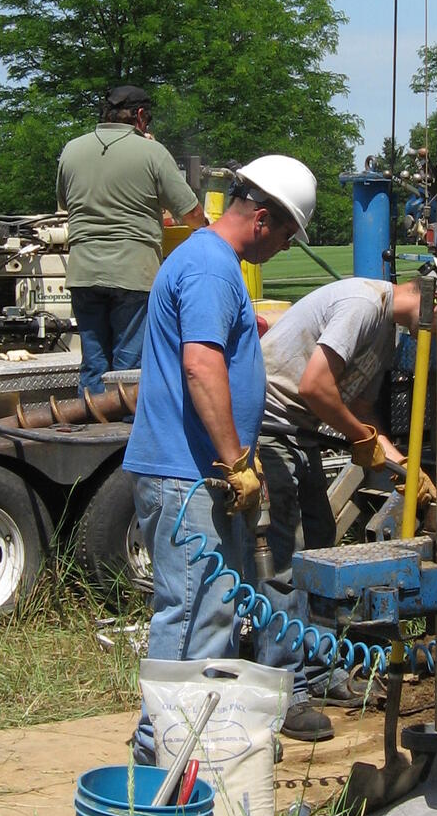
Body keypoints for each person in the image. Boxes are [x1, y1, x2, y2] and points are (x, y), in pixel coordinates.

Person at [124, 154, 318, 762]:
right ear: (261, 218)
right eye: (286, 235)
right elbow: (201, 364)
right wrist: (236, 460)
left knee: (217, 610)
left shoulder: (211, 264)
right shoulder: (210, 268)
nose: (285, 248)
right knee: (193, 619)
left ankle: (191, 747)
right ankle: (162, 760)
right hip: (191, 476)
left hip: (198, 474)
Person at [252, 275, 436, 740]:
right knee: (287, 560)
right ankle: (284, 689)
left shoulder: (386, 330)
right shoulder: (363, 304)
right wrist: (360, 436)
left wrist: (399, 464)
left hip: (300, 433)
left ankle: (316, 671)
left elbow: (358, 405)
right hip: (270, 426)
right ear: (431, 299)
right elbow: (315, 387)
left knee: (320, 548)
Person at [56, 85, 204, 396]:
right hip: (133, 273)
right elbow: (190, 213)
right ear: (139, 116)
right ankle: (122, 440)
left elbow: (66, 204)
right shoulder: (152, 152)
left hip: (83, 272)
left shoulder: (71, 150)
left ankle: (90, 432)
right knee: (129, 369)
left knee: (94, 364)